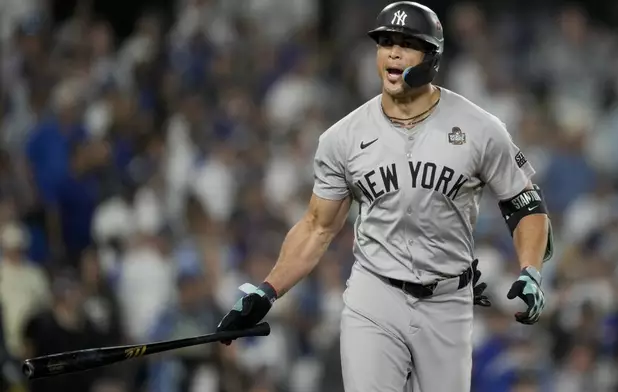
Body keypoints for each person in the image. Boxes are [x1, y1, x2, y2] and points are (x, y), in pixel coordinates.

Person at [216, 2, 553, 391]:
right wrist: (268, 289)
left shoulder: (480, 128)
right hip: (374, 295)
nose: (393, 52)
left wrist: (531, 269)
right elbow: (317, 227)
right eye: (386, 42)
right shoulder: (342, 137)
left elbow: (524, 203)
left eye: (407, 44)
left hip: (447, 301)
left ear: (433, 56)